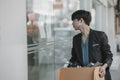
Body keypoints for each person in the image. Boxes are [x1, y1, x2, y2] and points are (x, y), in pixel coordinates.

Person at [68, 10, 113, 80]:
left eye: (73, 20)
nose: (72, 23)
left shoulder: (100, 36)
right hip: (83, 75)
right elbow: (74, 58)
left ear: (81, 20)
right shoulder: (75, 39)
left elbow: (108, 55)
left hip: (99, 74)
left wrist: (104, 67)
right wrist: (72, 65)